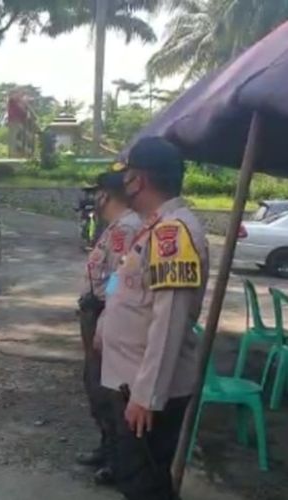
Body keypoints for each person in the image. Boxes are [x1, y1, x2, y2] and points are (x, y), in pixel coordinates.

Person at [100, 137, 209, 500]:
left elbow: (170, 321)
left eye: (127, 175)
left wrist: (147, 396)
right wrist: (104, 324)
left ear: (139, 180)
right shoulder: (152, 226)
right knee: (137, 480)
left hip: (145, 392)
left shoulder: (173, 233)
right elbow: (123, 282)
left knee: (145, 486)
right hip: (129, 381)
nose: (123, 184)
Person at [77, 171, 142, 486]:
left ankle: (118, 461)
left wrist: (106, 315)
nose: (93, 198)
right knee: (94, 384)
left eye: (97, 192)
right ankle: (107, 448)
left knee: (107, 389)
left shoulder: (127, 228)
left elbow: (120, 276)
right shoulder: (115, 227)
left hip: (105, 312)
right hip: (96, 309)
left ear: (108, 194)